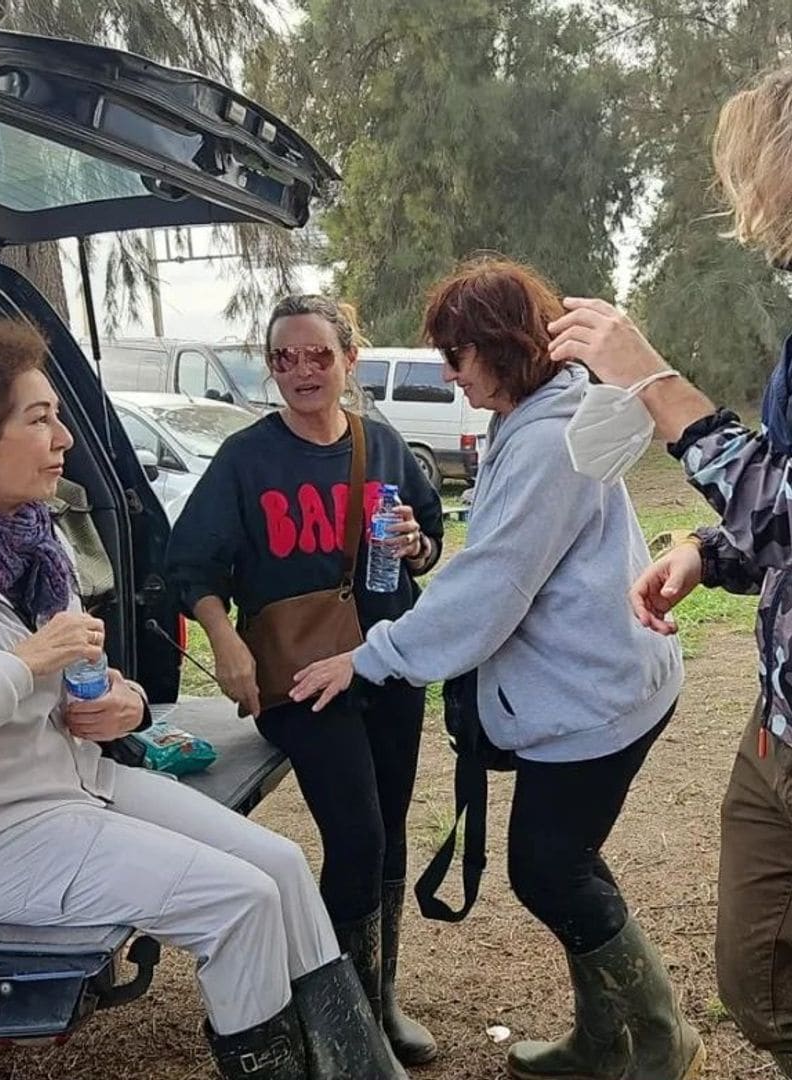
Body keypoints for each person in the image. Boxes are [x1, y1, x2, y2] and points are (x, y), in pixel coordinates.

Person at [0, 314, 407, 1080]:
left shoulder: (26, 541)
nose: (64, 439)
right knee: (240, 903)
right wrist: (22, 666)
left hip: (64, 785)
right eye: (41, 419)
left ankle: (355, 1067)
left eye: (59, 417)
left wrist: (120, 704)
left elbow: (73, 682)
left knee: (283, 866)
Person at [292, 258, 705, 1080]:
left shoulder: (550, 437)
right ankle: (600, 1040)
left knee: (549, 867)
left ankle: (661, 1040)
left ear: (505, 348)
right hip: (609, 673)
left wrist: (371, 658)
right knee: (568, 860)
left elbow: (493, 587)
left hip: (600, 692)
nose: (449, 372)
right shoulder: (542, 416)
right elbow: (499, 565)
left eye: (459, 353)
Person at [545, 67, 792, 1080]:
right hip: (778, 724)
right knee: (758, 980)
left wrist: (651, 381)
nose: (753, 204)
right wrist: (707, 549)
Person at [166, 294, 444, 1068]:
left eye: (318, 355)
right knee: (354, 837)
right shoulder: (248, 459)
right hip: (298, 679)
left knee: (388, 834)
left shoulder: (382, 446)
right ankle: (341, 1027)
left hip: (387, 662)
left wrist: (416, 544)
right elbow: (190, 566)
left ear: (349, 360)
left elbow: (427, 546)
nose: (301, 371)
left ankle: (378, 999)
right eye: (283, 357)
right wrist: (226, 642)